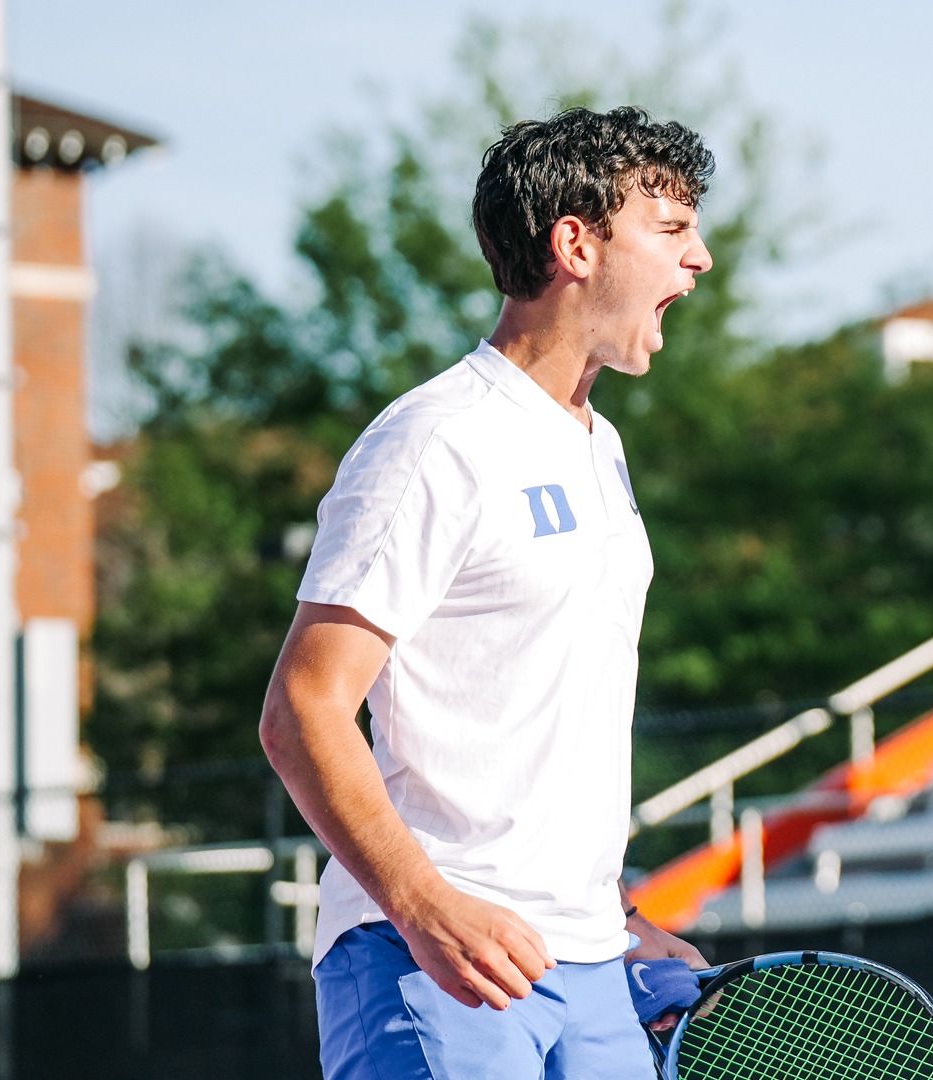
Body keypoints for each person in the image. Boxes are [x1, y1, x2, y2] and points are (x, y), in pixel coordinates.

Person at [259, 106, 715, 1080]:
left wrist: (619, 916)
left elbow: (547, 720)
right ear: (575, 244)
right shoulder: (434, 441)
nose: (701, 259)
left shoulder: (604, 450)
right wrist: (425, 909)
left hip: (588, 960)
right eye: (672, 230)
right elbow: (303, 708)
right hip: (430, 954)